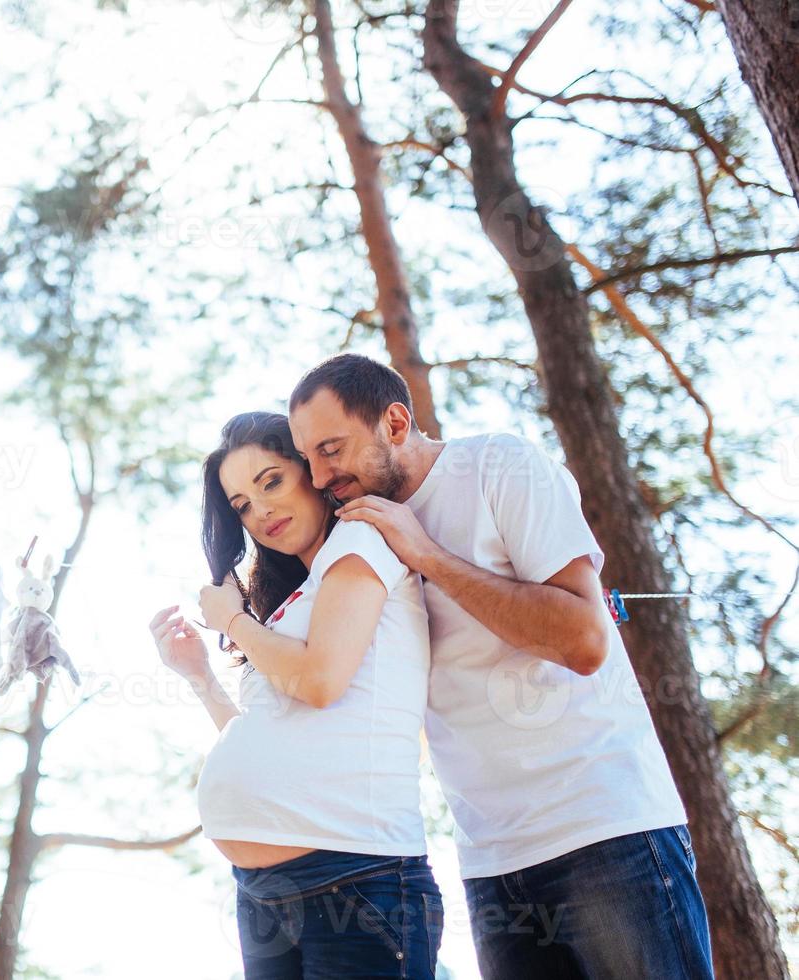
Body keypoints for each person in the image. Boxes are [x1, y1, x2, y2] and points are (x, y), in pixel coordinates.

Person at [286, 353, 712, 979]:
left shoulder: (500, 466)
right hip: (491, 867)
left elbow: (583, 639)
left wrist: (426, 554)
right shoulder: (360, 533)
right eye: (309, 458)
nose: (320, 476)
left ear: (396, 425)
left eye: (332, 448)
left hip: (605, 832)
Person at [148, 411, 443, 979]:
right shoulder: (291, 604)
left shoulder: (362, 539)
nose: (260, 511)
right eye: (240, 505)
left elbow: (320, 681)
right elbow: (274, 728)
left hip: (355, 880)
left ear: (311, 469)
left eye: (271, 482)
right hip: (264, 894)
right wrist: (200, 676)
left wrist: (233, 621)